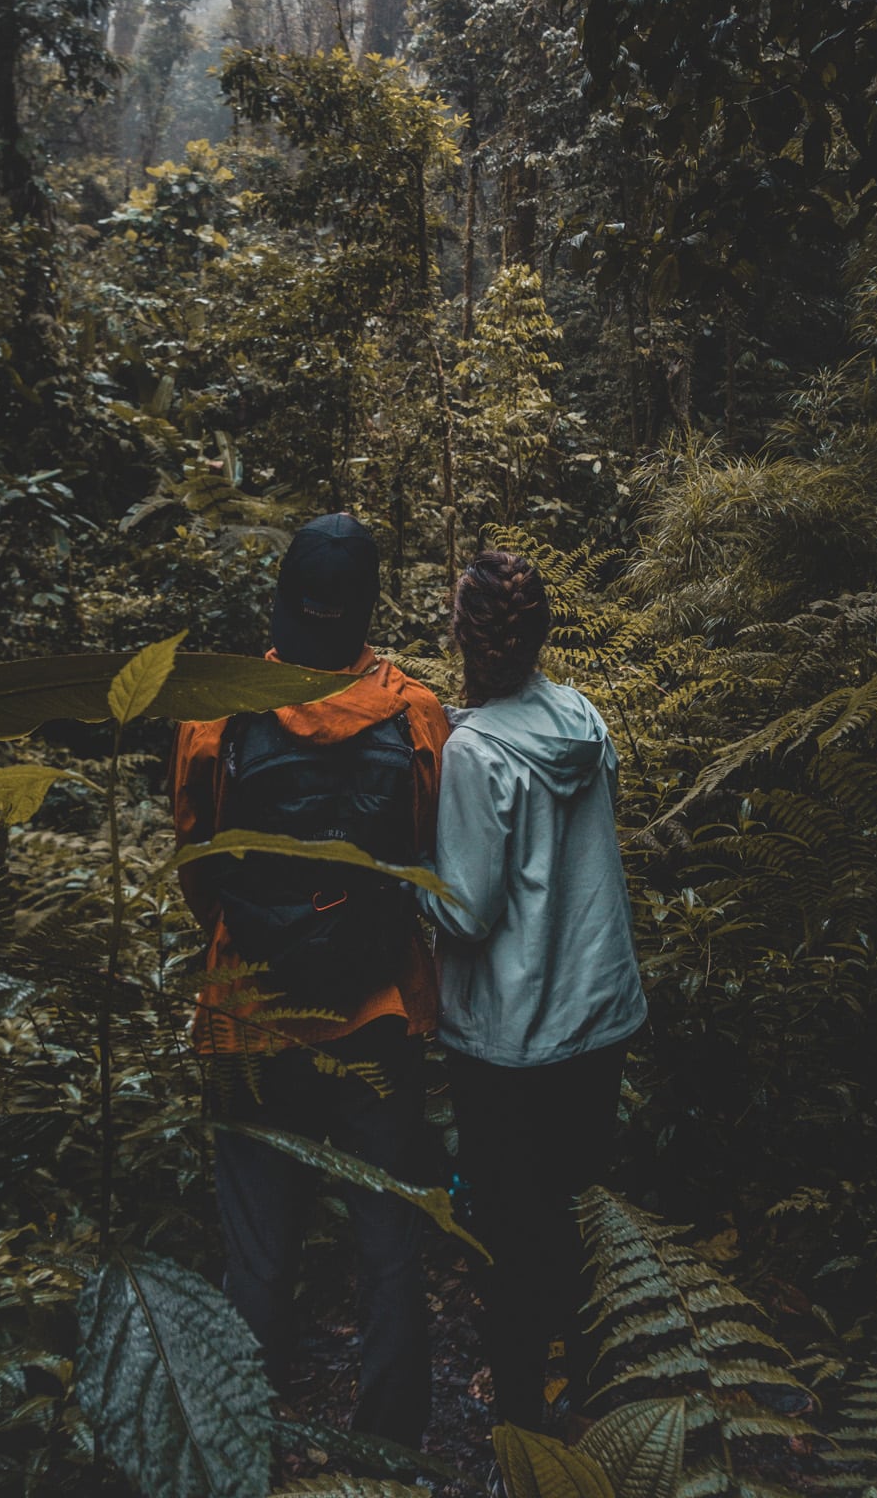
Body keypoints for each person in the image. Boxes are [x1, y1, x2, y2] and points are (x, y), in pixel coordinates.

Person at [171, 512, 449, 1448]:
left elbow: (196, 860)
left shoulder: (217, 710)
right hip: (375, 1014)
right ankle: (391, 1443)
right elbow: (425, 849)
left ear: (280, 602)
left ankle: (248, 1439)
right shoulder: (414, 711)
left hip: (249, 1012)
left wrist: (251, 941)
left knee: (256, 1246)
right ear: (366, 611)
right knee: (386, 1239)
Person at [418, 548, 647, 1433]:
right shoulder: (581, 721)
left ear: (464, 637)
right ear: (540, 633)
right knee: (582, 1217)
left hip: (511, 1043)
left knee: (511, 1236)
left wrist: (403, 878)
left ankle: (519, 1426)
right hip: (600, 1015)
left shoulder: (475, 753)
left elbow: (466, 914)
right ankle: (594, 1412)